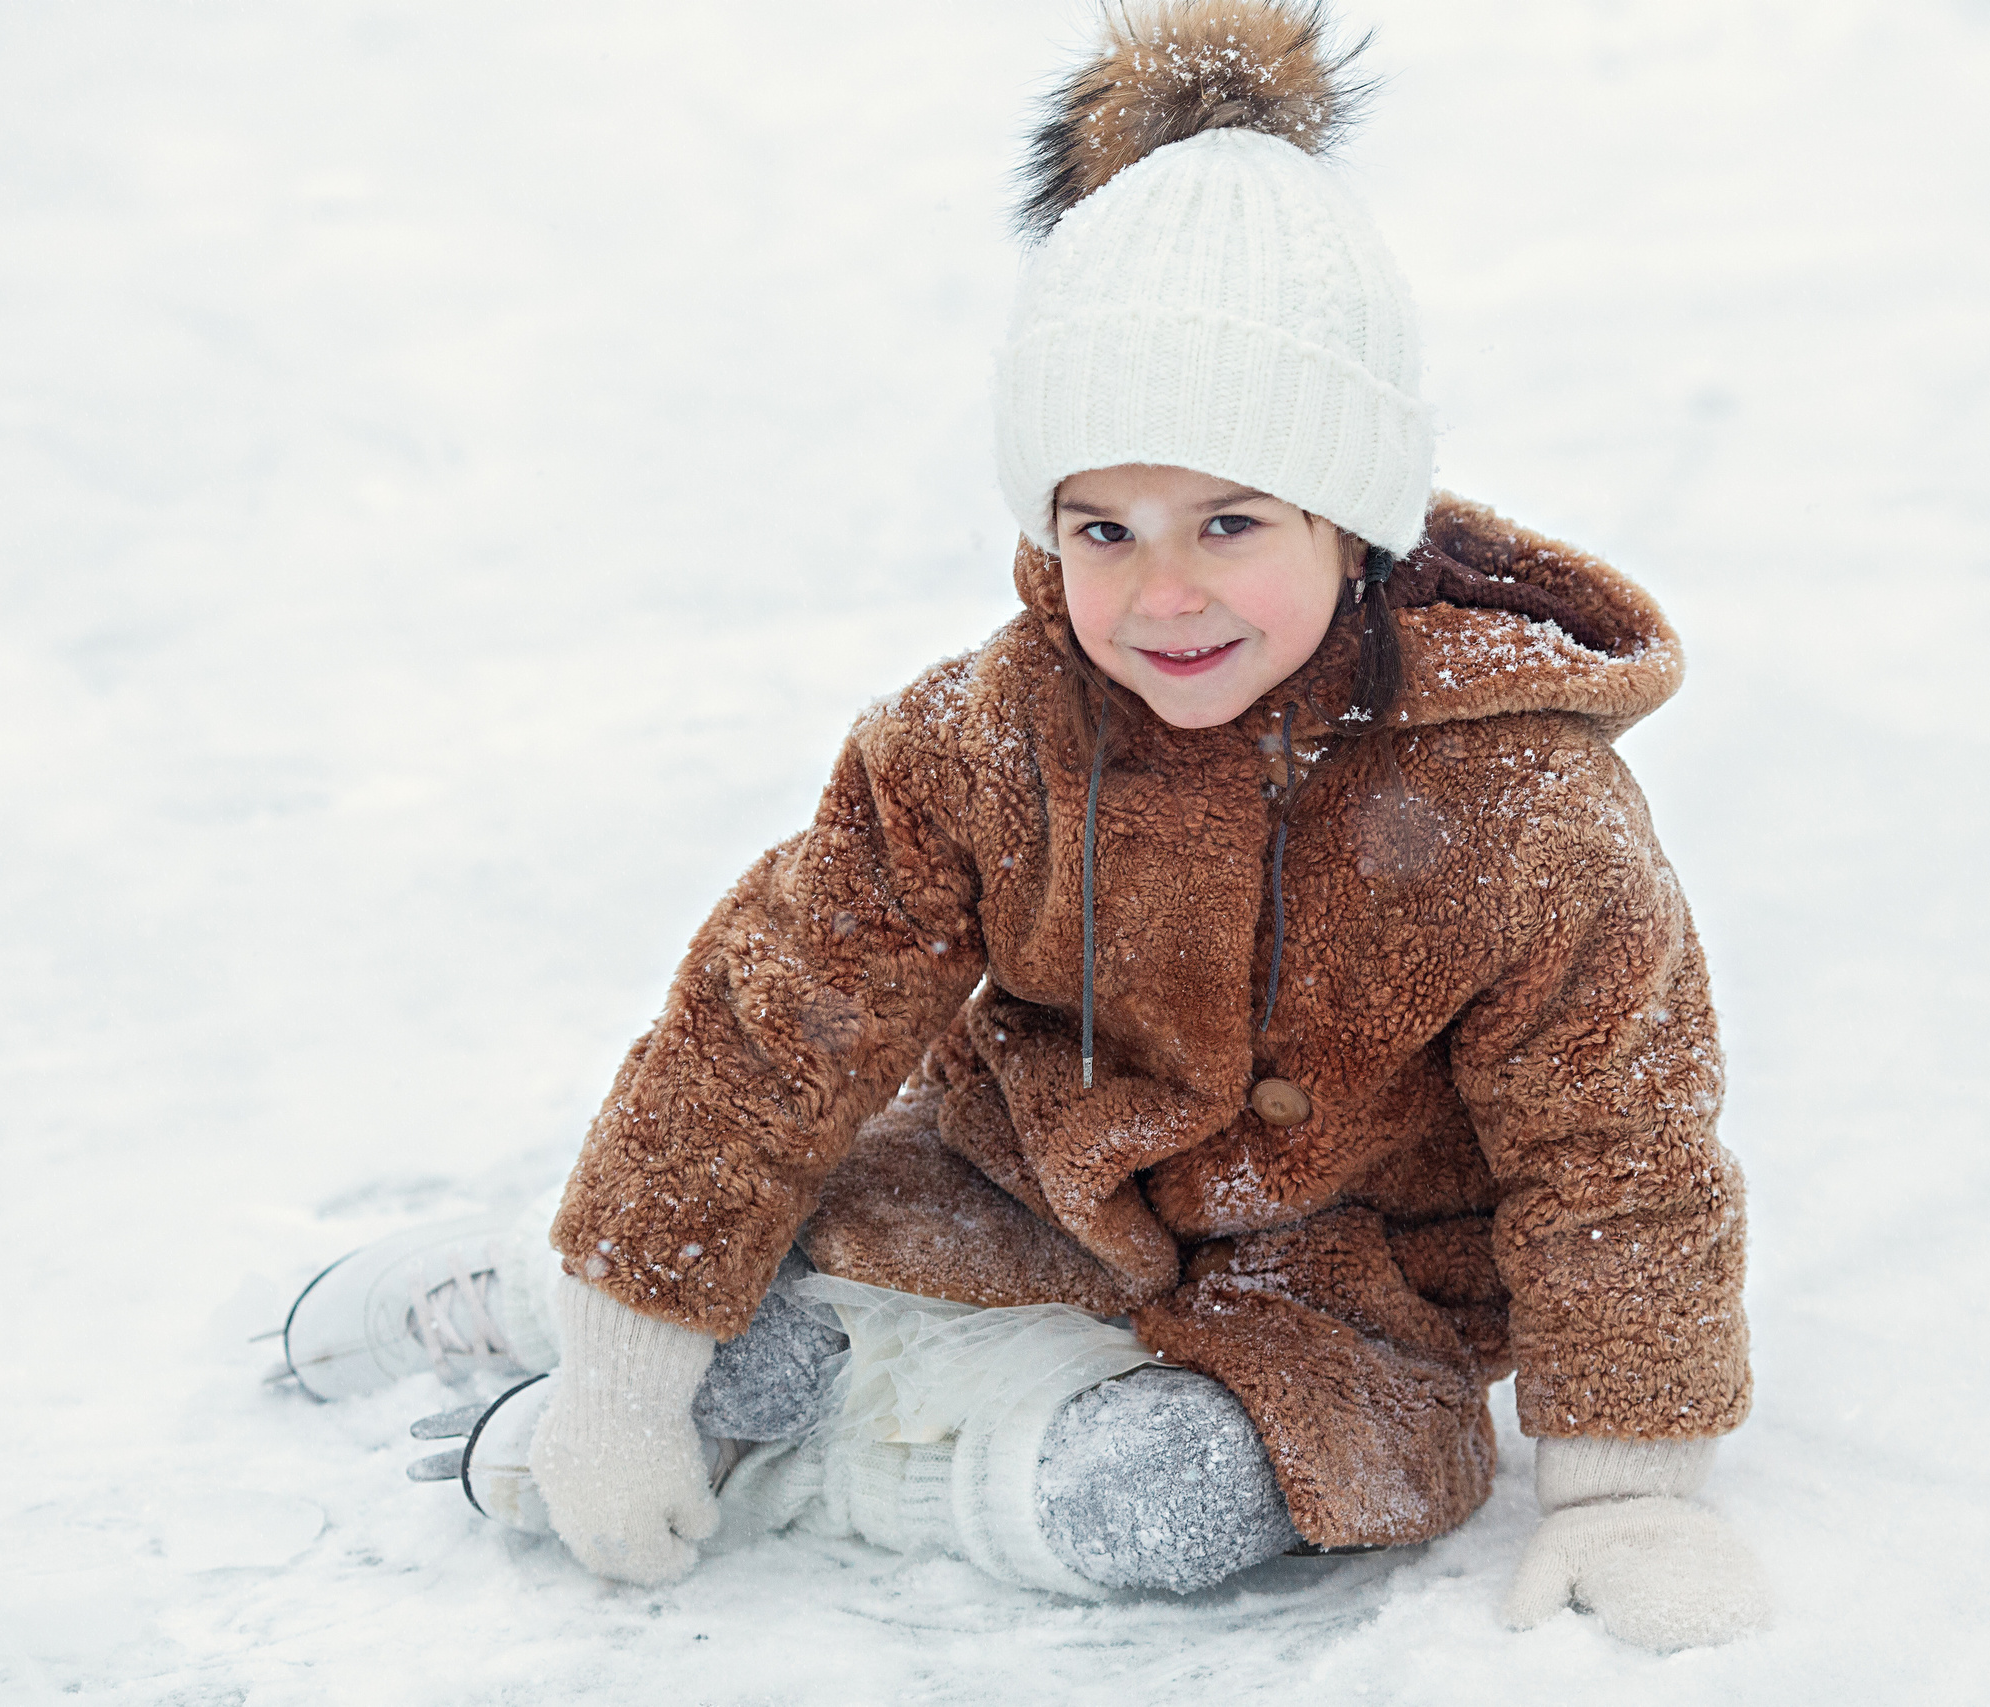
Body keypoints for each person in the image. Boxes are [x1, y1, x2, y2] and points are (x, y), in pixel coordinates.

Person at [279, 0, 1767, 1650]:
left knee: (1173, 1501)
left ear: (1353, 522)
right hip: (1011, 1196)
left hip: (1346, 1291)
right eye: (1102, 529)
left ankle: (832, 1465)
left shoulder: (1523, 808)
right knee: (737, 1295)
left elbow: (1617, 1151)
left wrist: (1628, 1491)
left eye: (1229, 522)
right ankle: (552, 1298)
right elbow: (769, 1031)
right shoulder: (986, 742)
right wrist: (630, 1364)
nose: (1164, 590)